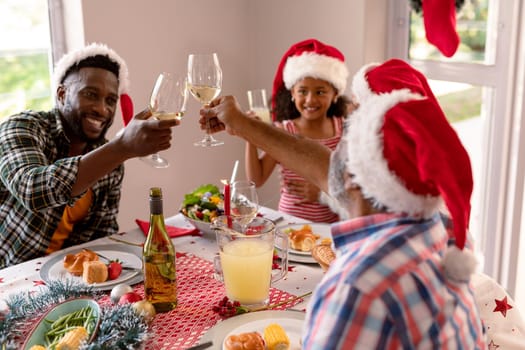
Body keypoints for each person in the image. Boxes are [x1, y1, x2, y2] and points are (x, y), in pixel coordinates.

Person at [200, 58, 486, 348]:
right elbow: (324, 167)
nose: (335, 152)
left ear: (352, 175)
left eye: (350, 137)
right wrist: (241, 124)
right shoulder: (441, 229)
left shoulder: (357, 286)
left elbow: (327, 170)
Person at [0, 43, 178, 268]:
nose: (102, 109)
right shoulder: (21, 127)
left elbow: (100, 237)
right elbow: (33, 191)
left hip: (61, 279)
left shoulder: (111, 163)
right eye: (91, 95)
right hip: (8, 278)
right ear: (62, 94)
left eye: (110, 100)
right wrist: (122, 147)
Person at [245, 38, 349, 223]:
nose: (310, 100)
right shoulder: (284, 131)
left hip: (330, 227)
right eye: (302, 91)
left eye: (320, 92)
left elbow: (351, 181)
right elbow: (257, 179)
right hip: (290, 225)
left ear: (335, 94)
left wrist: (323, 193)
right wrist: (250, 135)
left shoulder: (343, 130)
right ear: (292, 93)